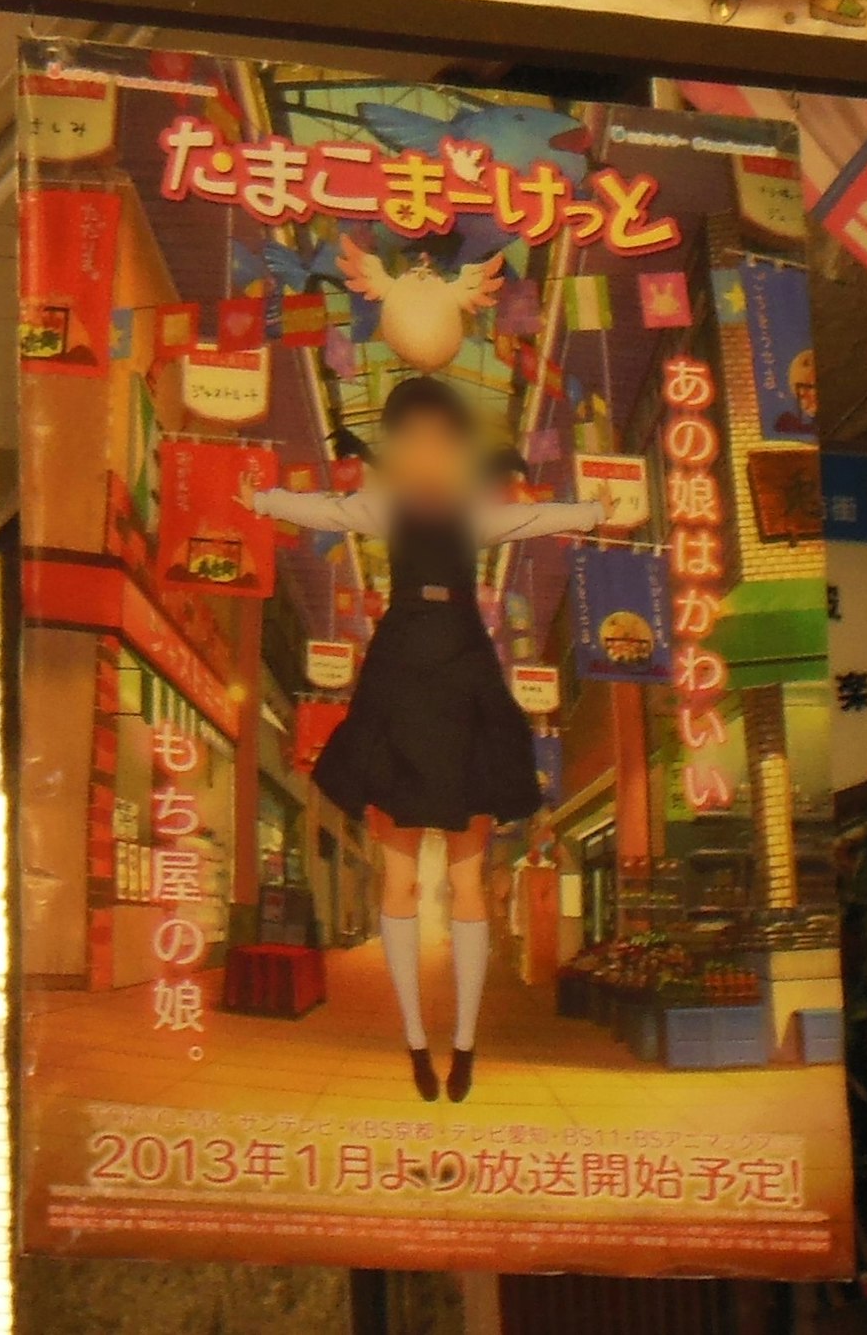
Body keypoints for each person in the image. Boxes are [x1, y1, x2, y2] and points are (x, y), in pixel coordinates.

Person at [249, 377, 611, 1103]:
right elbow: (324, 506)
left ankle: (466, 1040)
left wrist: (597, 507)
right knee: (401, 879)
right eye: (411, 439)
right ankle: (417, 1039)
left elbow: (537, 518)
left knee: (467, 881)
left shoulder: (475, 513)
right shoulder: (387, 507)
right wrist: (258, 499)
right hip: (404, 680)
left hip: (461, 680)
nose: (426, 452)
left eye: (440, 439)